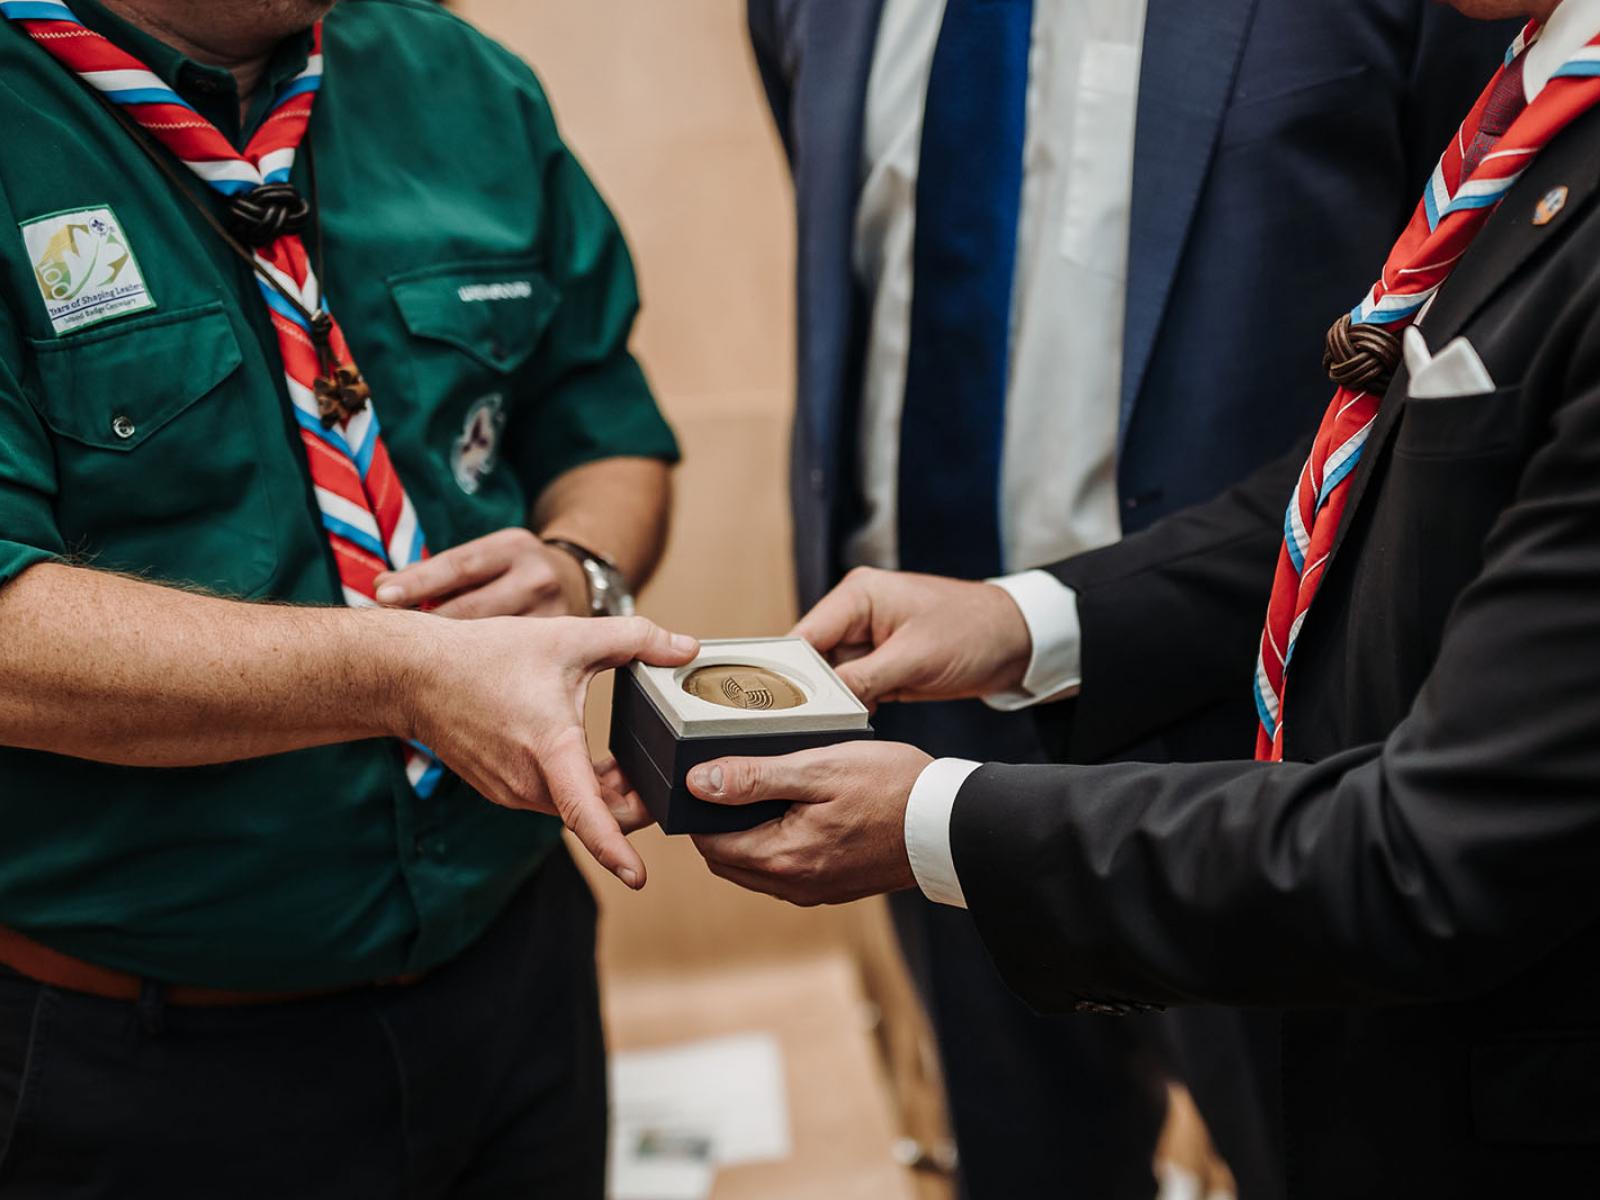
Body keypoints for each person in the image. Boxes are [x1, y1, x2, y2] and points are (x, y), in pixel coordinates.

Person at [696, 0, 1600, 1194]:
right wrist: (1032, 618)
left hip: (1360, 889)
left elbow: (1431, 853)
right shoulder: (1533, 87)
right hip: (1042, 725)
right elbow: (1372, 471)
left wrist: (933, 825)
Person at [0, 0, 690, 1193]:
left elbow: (607, 425)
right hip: (141, 1059)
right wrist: (398, 677)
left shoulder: (459, 79)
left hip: (515, 975)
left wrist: (578, 567)